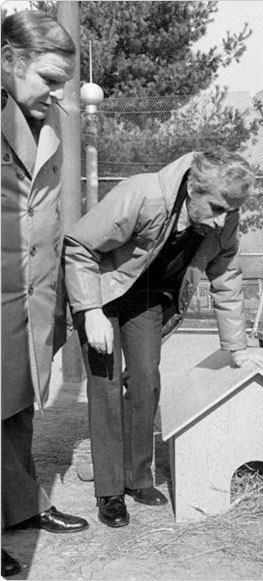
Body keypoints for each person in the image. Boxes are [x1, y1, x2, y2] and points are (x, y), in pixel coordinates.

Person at [63, 149, 263, 528]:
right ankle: (109, 491)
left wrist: (237, 349)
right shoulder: (143, 194)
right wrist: (90, 311)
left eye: (231, 210)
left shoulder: (225, 219)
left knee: (146, 382)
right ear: (192, 187)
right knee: (105, 383)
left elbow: (226, 279)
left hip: (147, 298)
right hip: (102, 292)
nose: (224, 219)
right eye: (218, 207)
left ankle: (137, 477)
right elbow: (79, 246)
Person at [1, 10, 89, 577]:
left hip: (29, 300)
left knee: (16, 411)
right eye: (48, 79)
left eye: (62, 82)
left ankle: (20, 505)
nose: (57, 93)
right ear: (9, 61)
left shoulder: (46, 125)